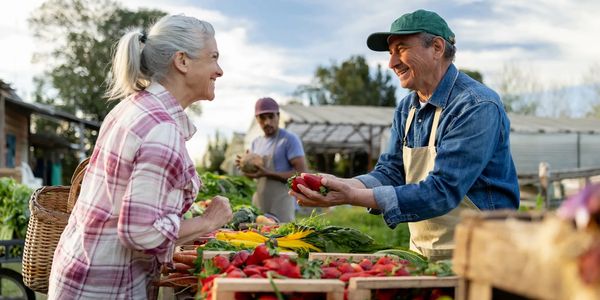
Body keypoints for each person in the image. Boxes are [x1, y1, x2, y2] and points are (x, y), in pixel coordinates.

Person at [291, 9, 519, 261]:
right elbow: (391, 172)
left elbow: (443, 190)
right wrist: (343, 184)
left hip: (484, 256)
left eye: (401, 49)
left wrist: (352, 196)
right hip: (424, 254)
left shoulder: (475, 105)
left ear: (436, 47)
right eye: (390, 54)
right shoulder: (407, 108)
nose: (391, 64)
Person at [48, 15, 232, 299]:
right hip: (105, 288)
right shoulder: (162, 129)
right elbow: (140, 233)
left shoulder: (133, 107)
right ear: (182, 61)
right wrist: (209, 221)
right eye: (214, 57)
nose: (219, 70)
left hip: (80, 274)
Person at [236, 97, 307, 223]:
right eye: (262, 118)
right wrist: (244, 167)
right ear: (257, 119)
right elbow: (254, 177)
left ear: (278, 116)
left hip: (282, 203)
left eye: (271, 116)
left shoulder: (289, 140)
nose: (267, 122)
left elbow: (301, 174)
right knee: (258, 239)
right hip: (260, 202)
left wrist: (267, 173)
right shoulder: (256, 143)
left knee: (281, 239)